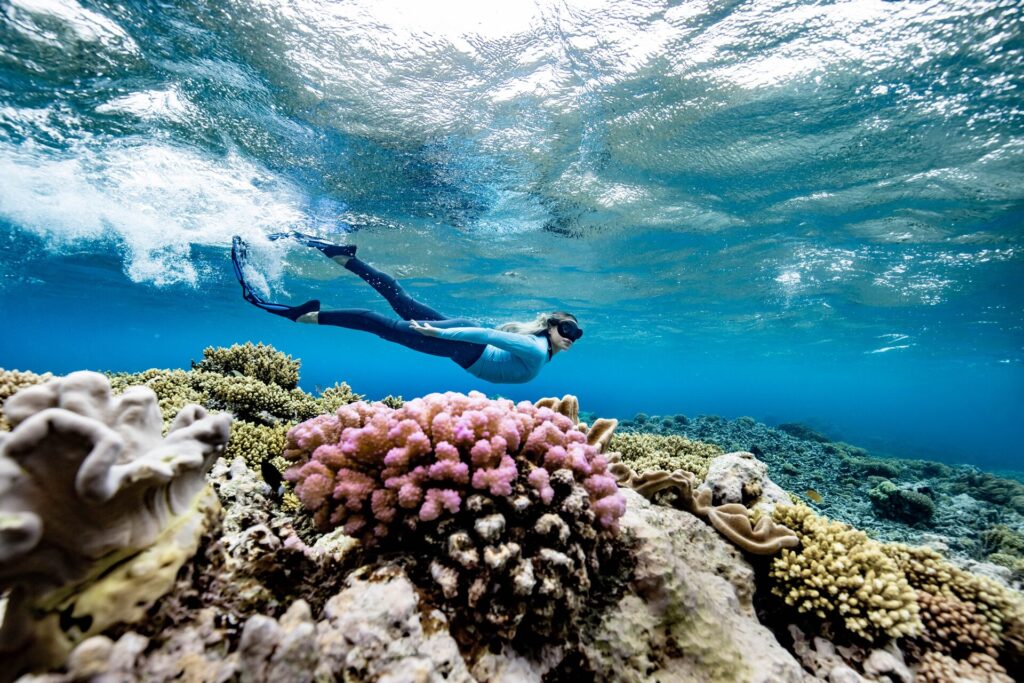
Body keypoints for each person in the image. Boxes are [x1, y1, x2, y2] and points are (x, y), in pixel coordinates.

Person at [230, 232, 583, 384]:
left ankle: (343, 258)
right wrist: (437, 332)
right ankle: (303, 316)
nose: (571, 337)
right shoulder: (537, 350)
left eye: (576, 334)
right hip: (460, 343)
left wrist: (444, 332)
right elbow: (486, 335)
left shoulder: (539, 349)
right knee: (375, 322)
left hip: (461, 343)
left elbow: (487, 337)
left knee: (399, 300)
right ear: (551, 326)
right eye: (567, 329)